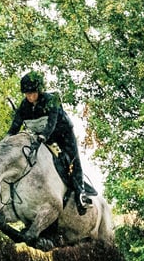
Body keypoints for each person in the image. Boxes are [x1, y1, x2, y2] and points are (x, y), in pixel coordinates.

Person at [8, 71, 92, 215]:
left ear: (39, 91)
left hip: (63, 134)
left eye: (32, 93)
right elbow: (14, 127)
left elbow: (51, 124)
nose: (29, 96)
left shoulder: (51, 100)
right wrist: (6, 141)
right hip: (42, 137)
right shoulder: (24, 106)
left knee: (72, 160)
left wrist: (42, 137)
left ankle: (81, 195)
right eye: (26, 93)